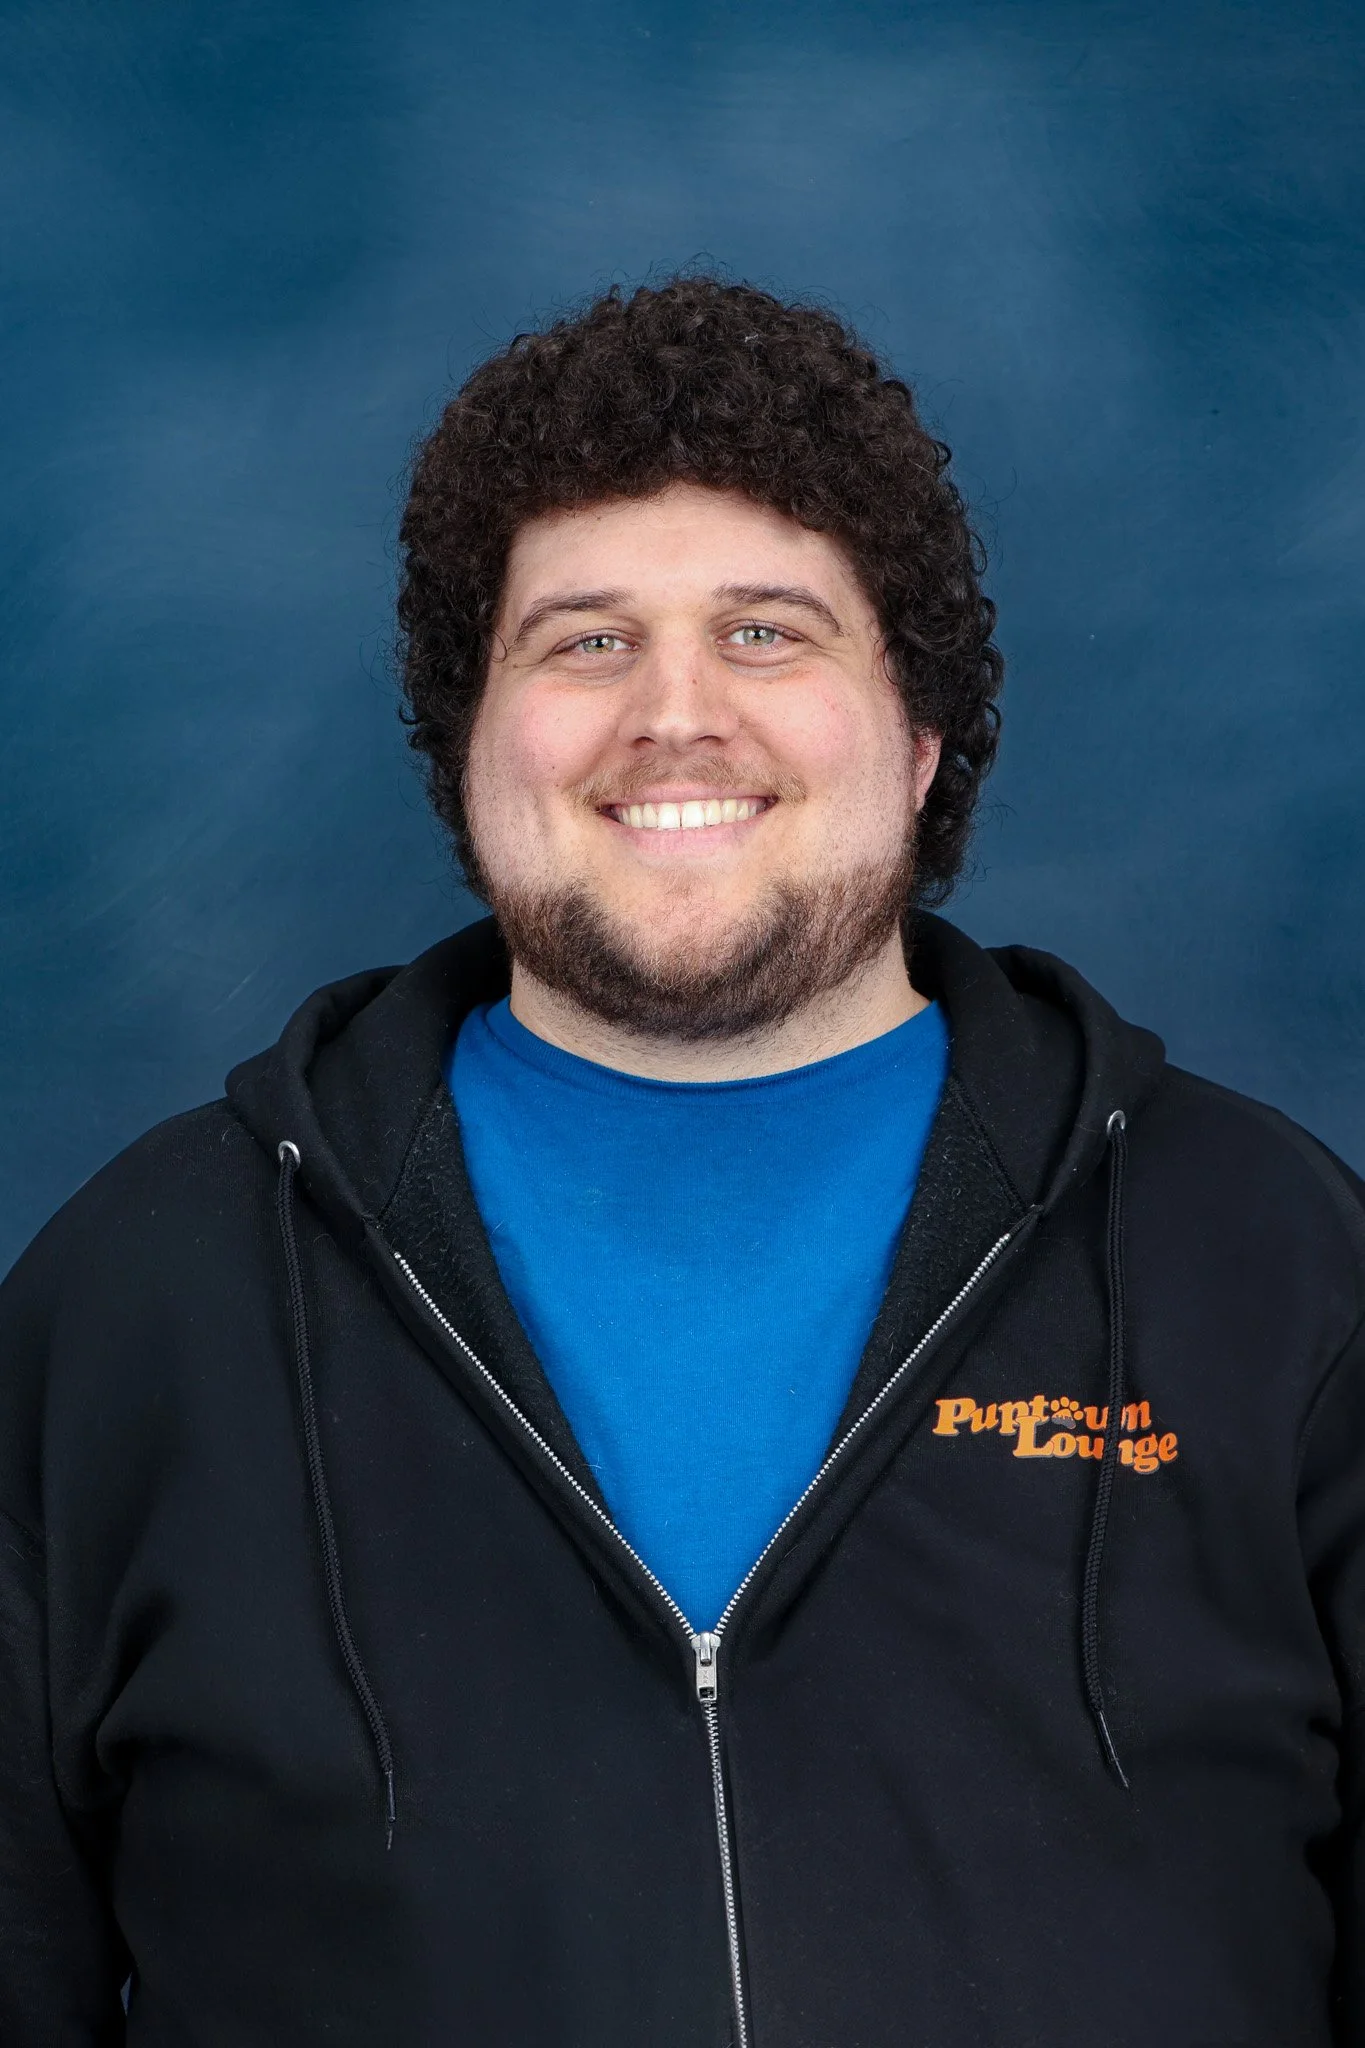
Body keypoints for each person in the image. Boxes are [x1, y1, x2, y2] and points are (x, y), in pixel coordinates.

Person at [1, 276, 1362, 2048]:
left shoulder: (1267, 1263)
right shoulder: (137, 1306)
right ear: (468, 744)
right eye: (583, 641)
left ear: (922, 735)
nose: (674, 716)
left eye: (769, 633)